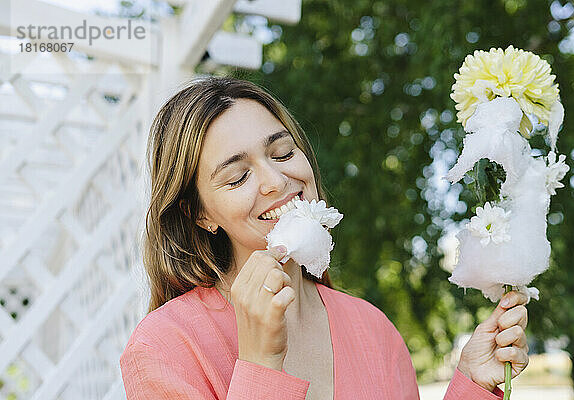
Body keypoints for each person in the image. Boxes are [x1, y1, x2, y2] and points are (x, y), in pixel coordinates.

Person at [120, 76, 529, 399]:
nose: (276, 180)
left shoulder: (373, 329)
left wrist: (472, 387)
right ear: (200, 215)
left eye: (282, 153)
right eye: (237, 176)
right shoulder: (162, 348)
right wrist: (260, 365)